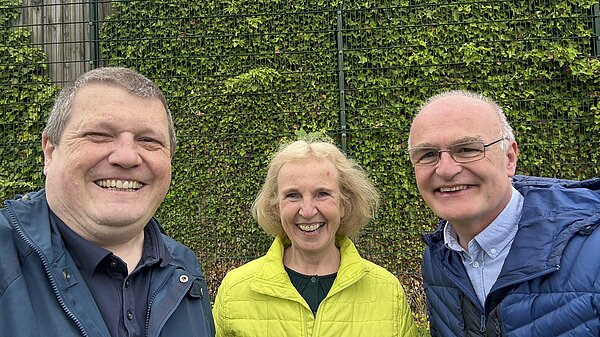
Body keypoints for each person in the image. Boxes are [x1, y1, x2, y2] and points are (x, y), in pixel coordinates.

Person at [0, 67, 215, 337]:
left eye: (148, 140)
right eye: (99, 135)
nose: (127, 157)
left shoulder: (184, 270)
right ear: (50, 152)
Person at [408, 89, 600, 336]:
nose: (445, 170)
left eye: (467, 149)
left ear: (509, 158)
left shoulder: (592, 251)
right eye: (428, 154)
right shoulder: (438, 260)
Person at [213, 136, 417, 336]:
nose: (308, 211)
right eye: (293, 195)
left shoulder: (388, 293)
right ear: (276, 206)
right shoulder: (235, 291)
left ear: (344, 205)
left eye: (322, 194)